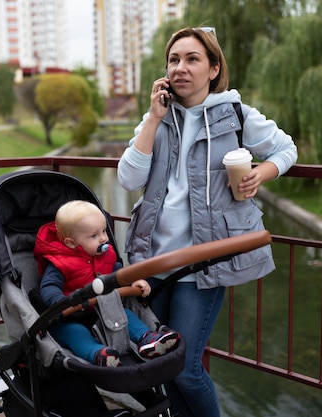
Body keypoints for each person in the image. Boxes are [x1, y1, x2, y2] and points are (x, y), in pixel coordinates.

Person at [117, 27, 298, 416]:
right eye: (174, 59)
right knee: (161, 367)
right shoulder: (157, 118)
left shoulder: (235, 115)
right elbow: (129, 179)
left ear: (214, 68)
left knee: (185, 369)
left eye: (192, 59)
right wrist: (152, 119)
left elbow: (286, 148)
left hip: (205, 263)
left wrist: (260, 174)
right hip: (152, 262)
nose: (181, 67)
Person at [34, 200, 180, 367]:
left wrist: (134, 280)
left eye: (104, 231)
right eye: (94, 236)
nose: (104, 238)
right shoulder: (59, 263)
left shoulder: (106, 255)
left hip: (102, 309)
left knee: (125, 314)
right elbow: (49, 287)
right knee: (75, 333)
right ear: (71, 242)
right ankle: (97, 354)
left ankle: (147, 338)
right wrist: (60, 302)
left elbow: (119, 273)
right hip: (70, 316)